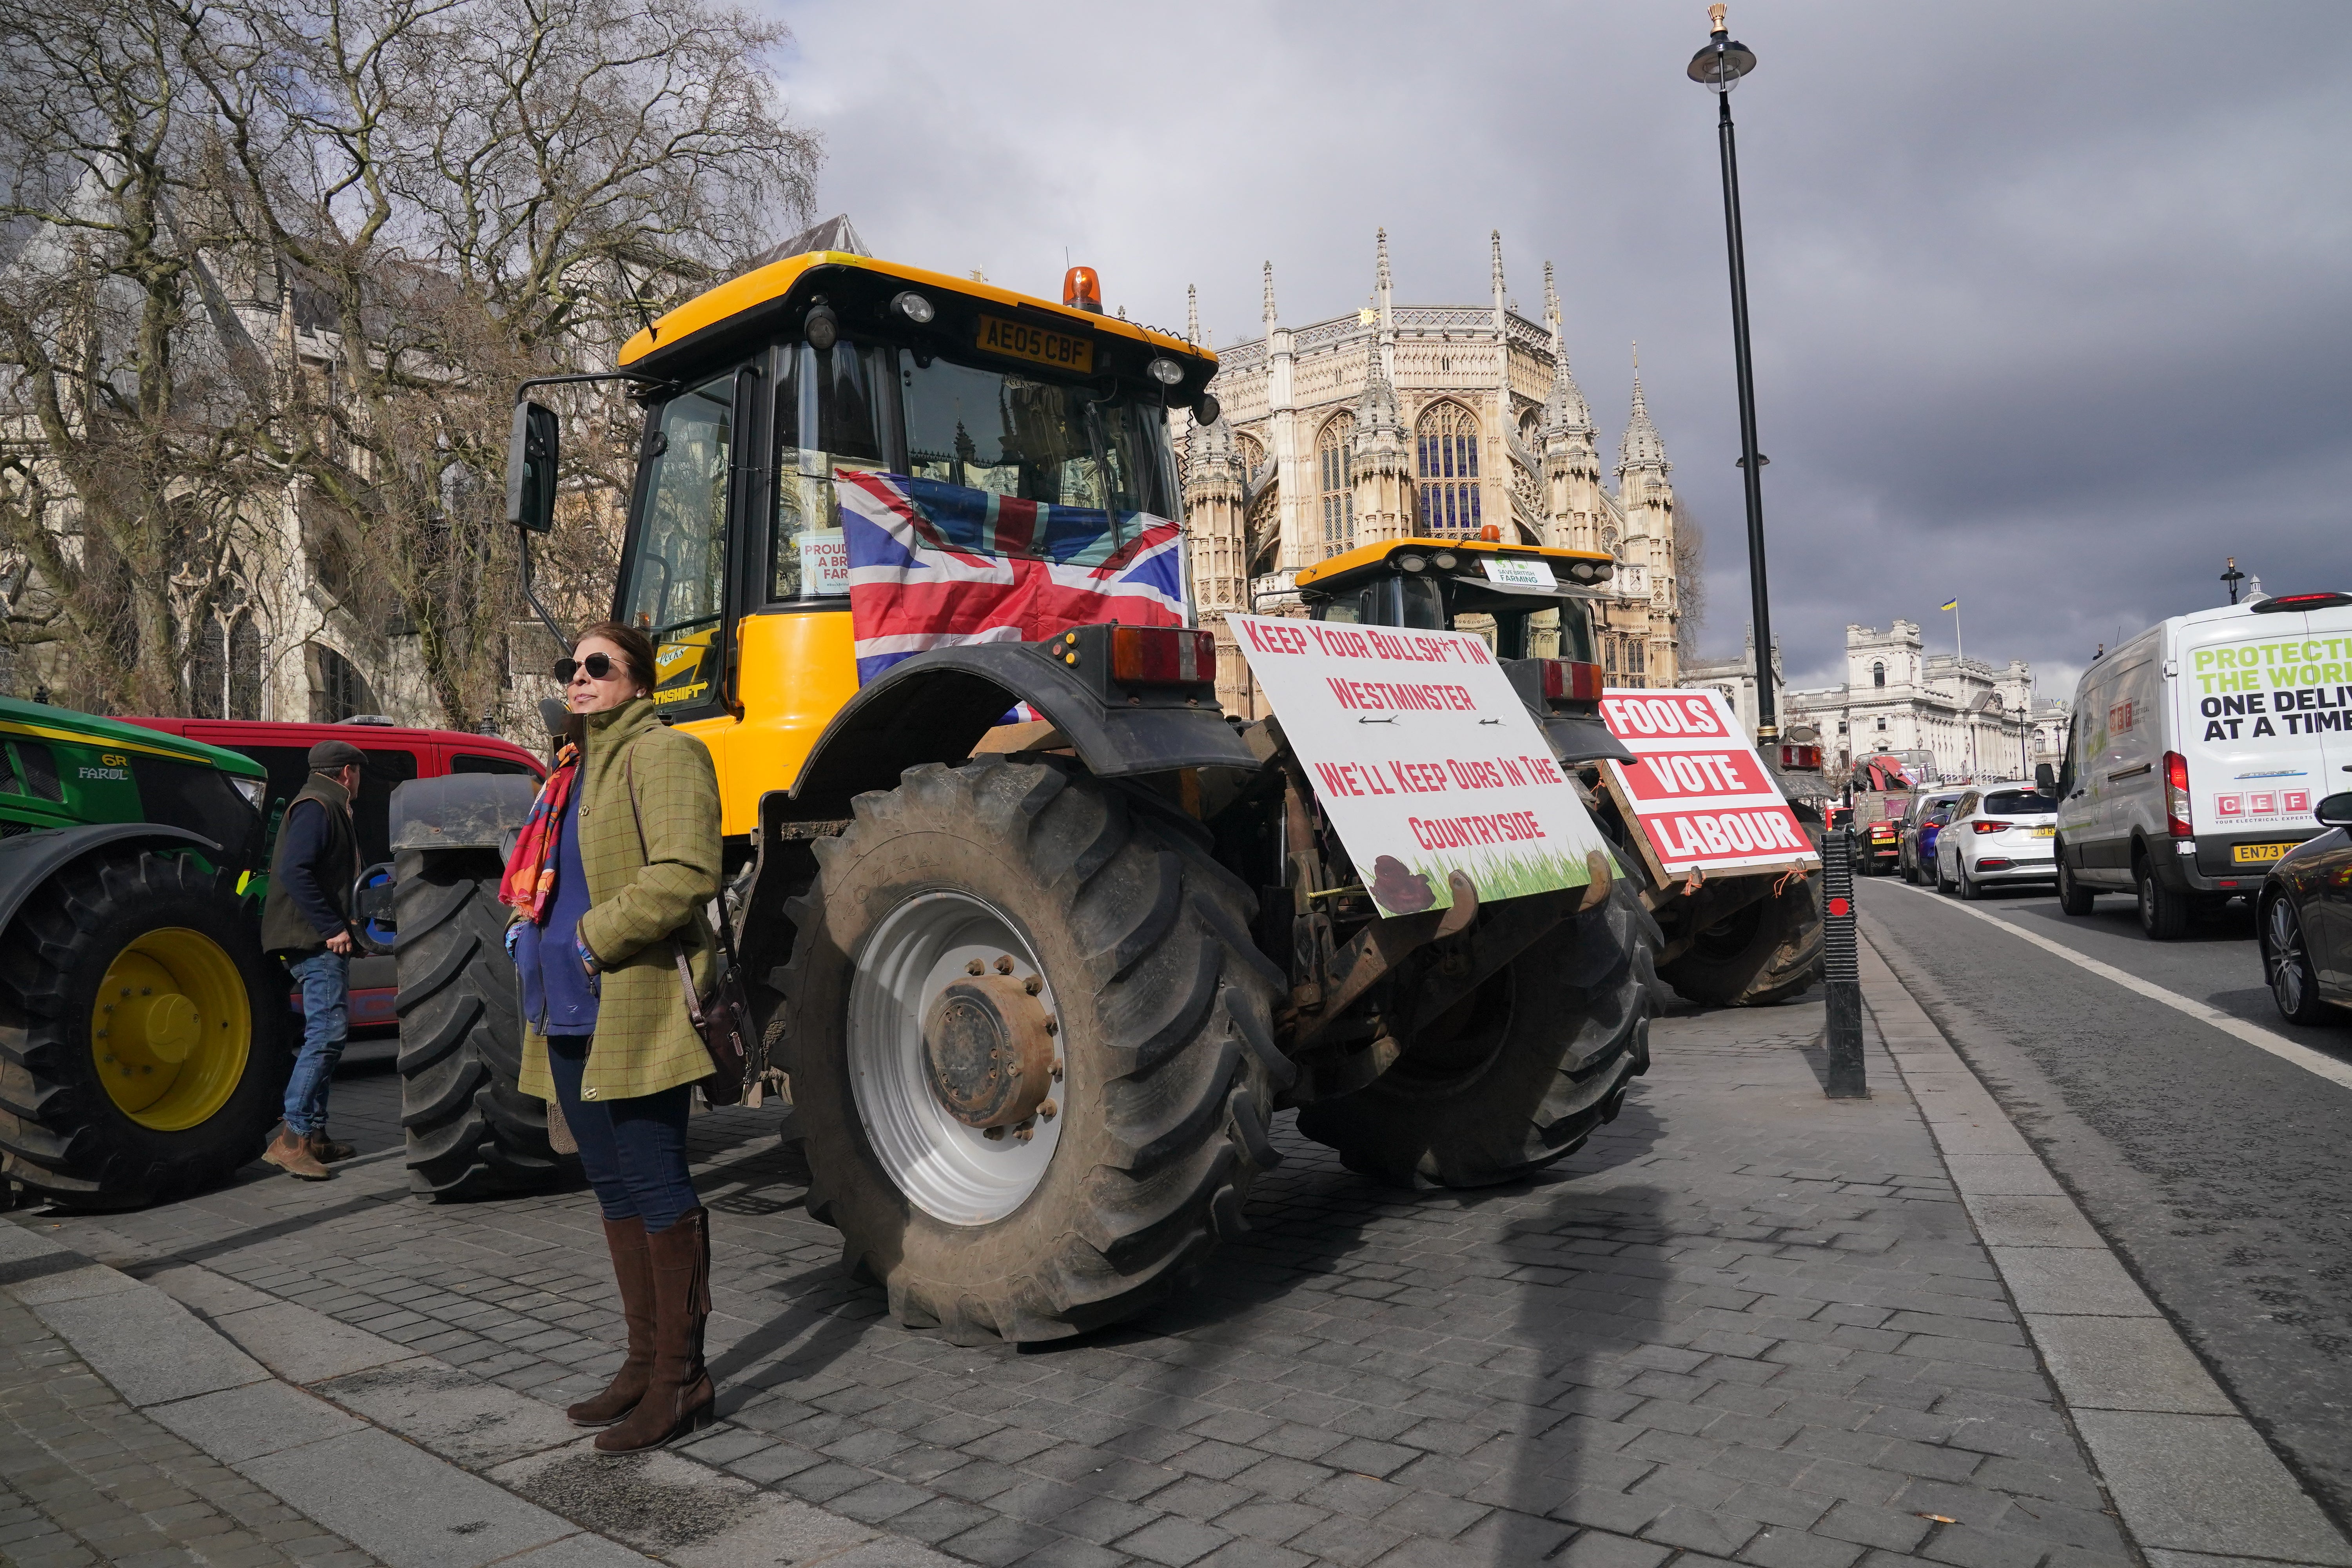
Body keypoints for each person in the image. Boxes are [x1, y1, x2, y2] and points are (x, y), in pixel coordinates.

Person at [505, 621, 724, 1454]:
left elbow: (685, 872)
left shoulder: (662, 753)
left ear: (638, 682)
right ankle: (642, 1363)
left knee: (656, 1182)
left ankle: (683, 1378)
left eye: (600, 665)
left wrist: (592, 936)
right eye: (572, 665)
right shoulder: (568, 769)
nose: (581, 676)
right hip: (562, 1011)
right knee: (612, 1188)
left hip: (631, 1003)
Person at [259, 739, 366, 1180]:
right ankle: (292, 1138)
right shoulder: (318, 807)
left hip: (312, 938)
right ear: (346, 773)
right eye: (359, 772)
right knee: (327, 1033)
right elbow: (294, 871)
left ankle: (315, 1138)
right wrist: (332, 927)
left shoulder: (324, 803)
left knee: (328, 1035)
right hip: (311, 940)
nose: (361, 780)